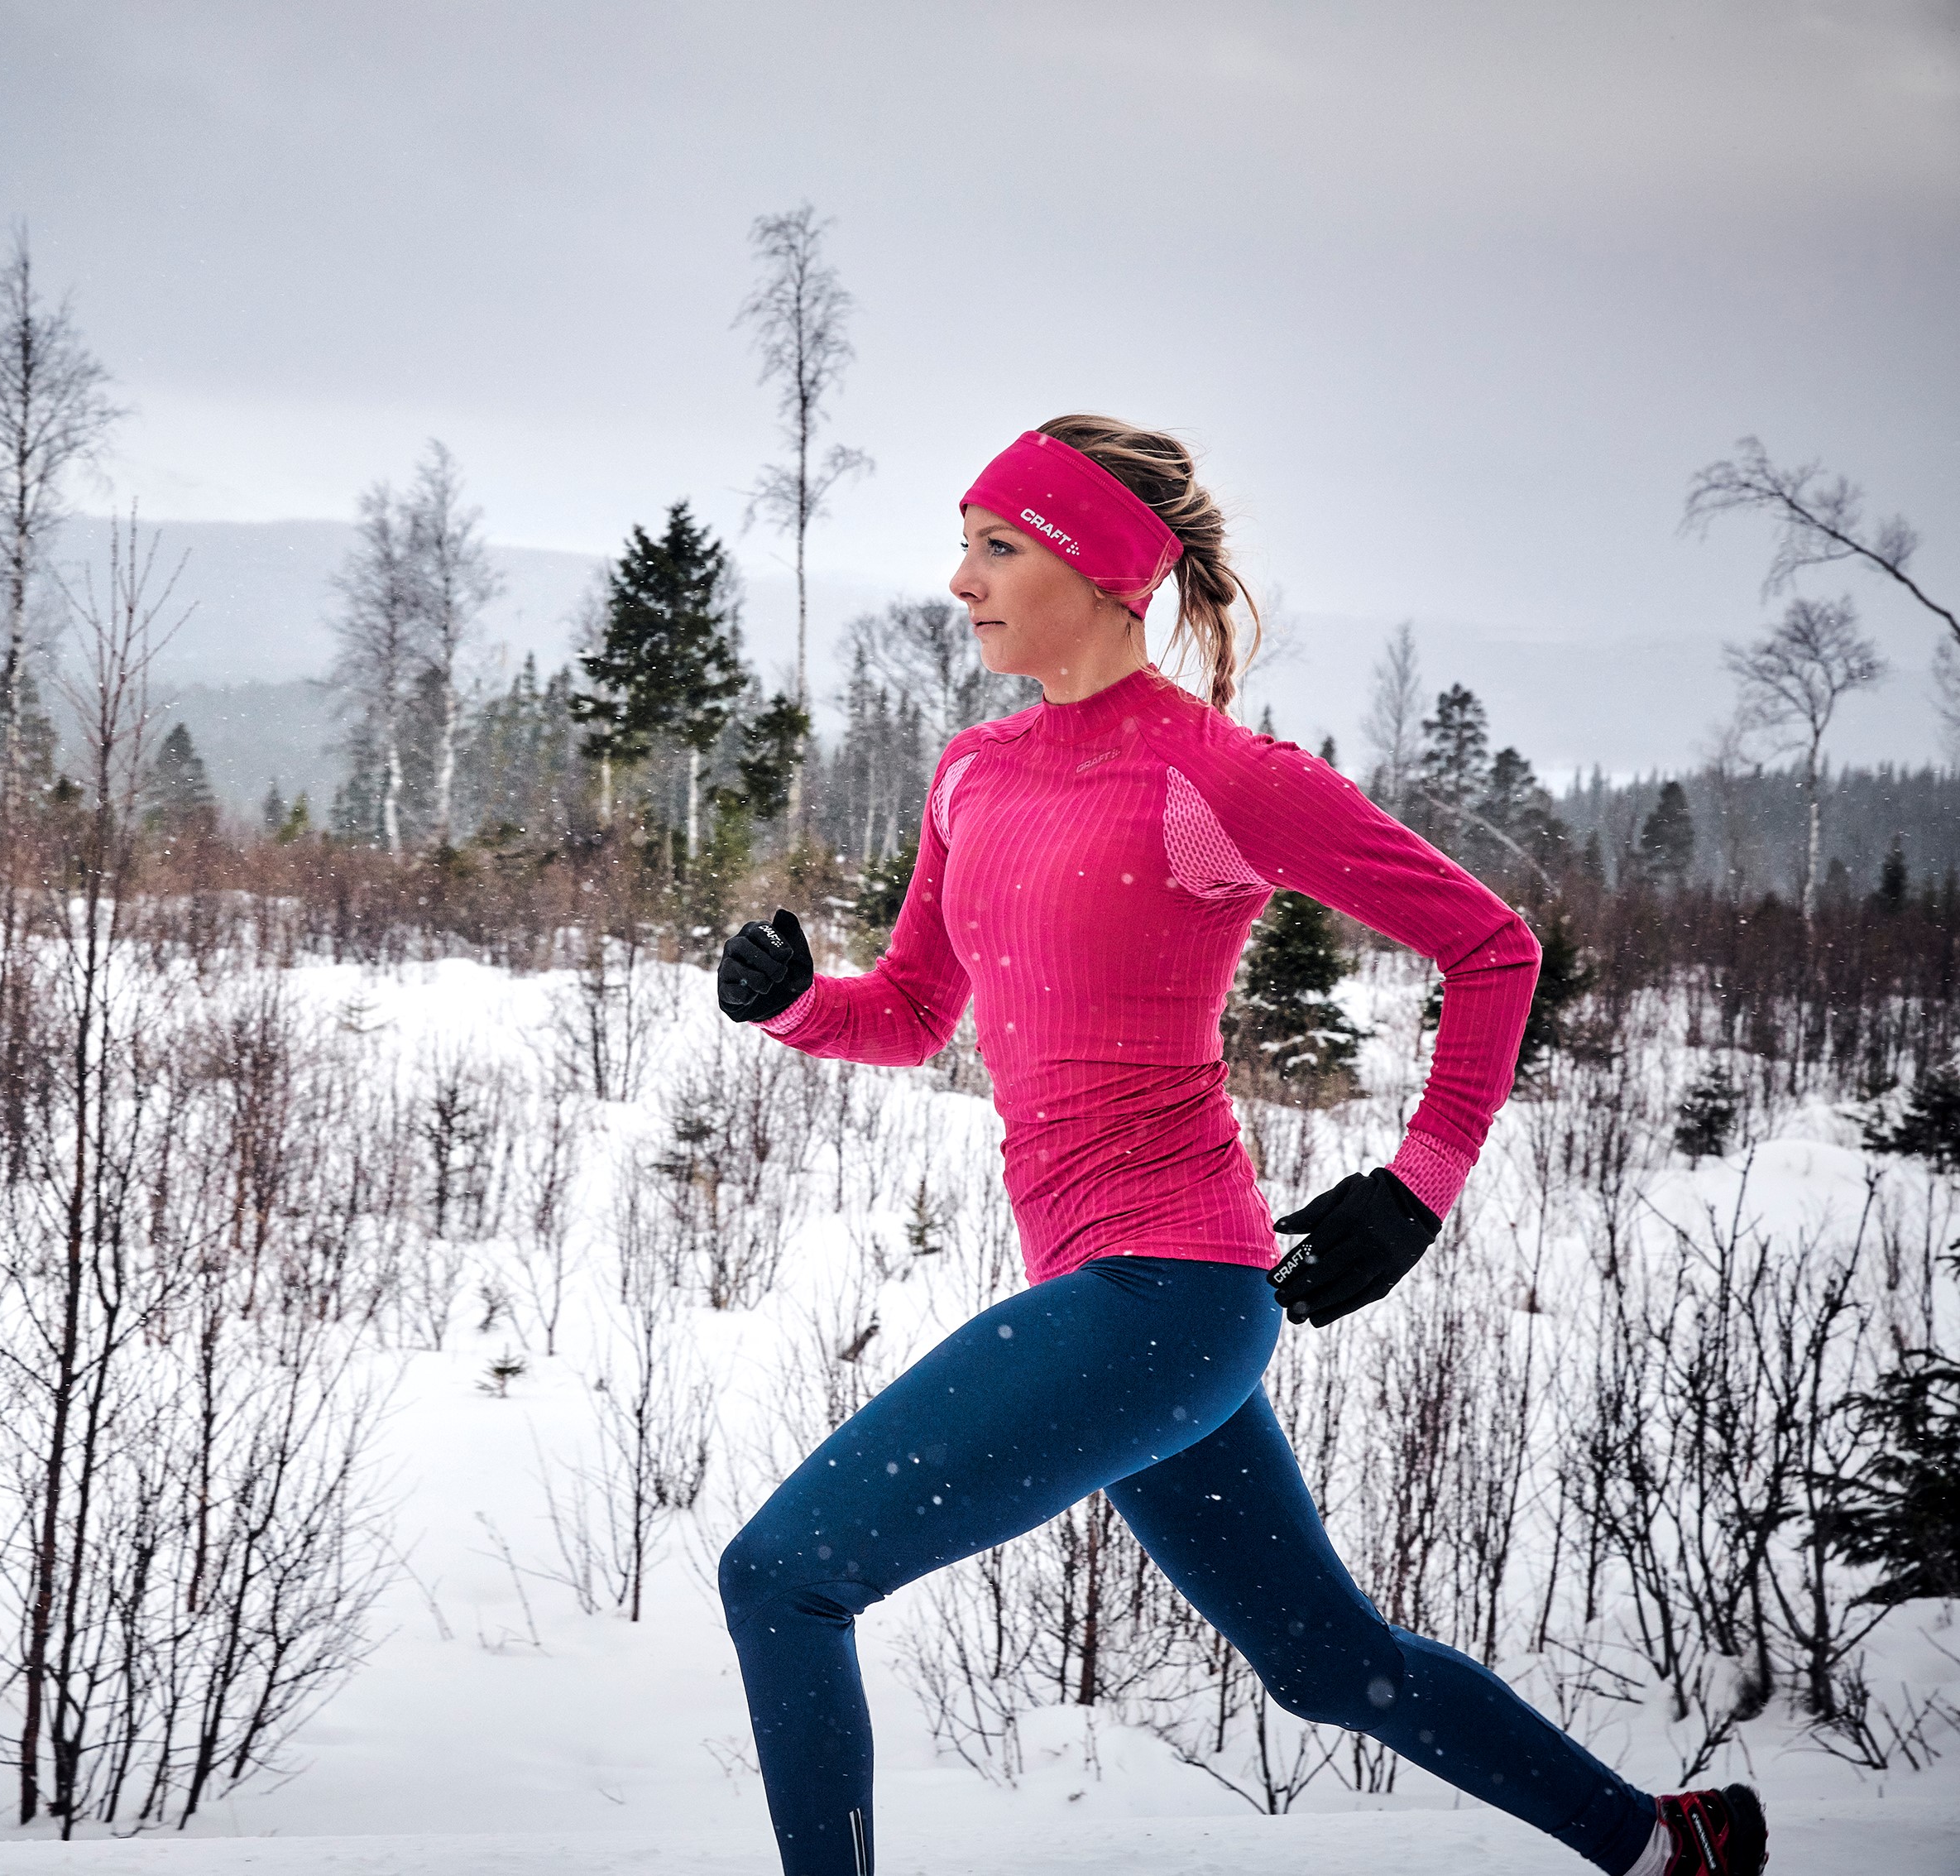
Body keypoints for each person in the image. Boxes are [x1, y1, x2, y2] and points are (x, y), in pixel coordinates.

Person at [711, 418, 1767, 1876]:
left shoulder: (1216, 777)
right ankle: (1665, 1847)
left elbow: (1492, 945)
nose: (959, 579)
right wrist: (791, 1008)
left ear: (1098, 568)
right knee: (1328, 1665)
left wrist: (1418, 1187)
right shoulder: (971, 773)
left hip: (1173, 1297)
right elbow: (907, 1012)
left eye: (995, 545)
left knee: (782, 1580)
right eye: (963, 541)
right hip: (1127, 1308)